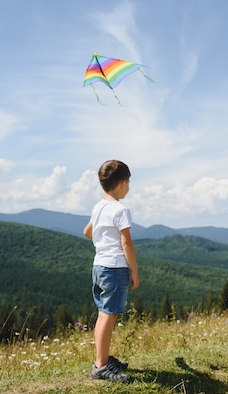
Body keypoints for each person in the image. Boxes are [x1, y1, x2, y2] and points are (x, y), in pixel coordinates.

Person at [83, 160, 140, 382]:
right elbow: (127, 244)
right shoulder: (120, 210)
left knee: (103, 314)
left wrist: (101, 239)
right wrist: (134, 271)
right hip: (115, 268)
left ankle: (103, 358)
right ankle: (101, 366)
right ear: (122, 183)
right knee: (109, 314)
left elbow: (87, 231)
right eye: (129, 182)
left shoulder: (98, 207)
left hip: (99, 266)